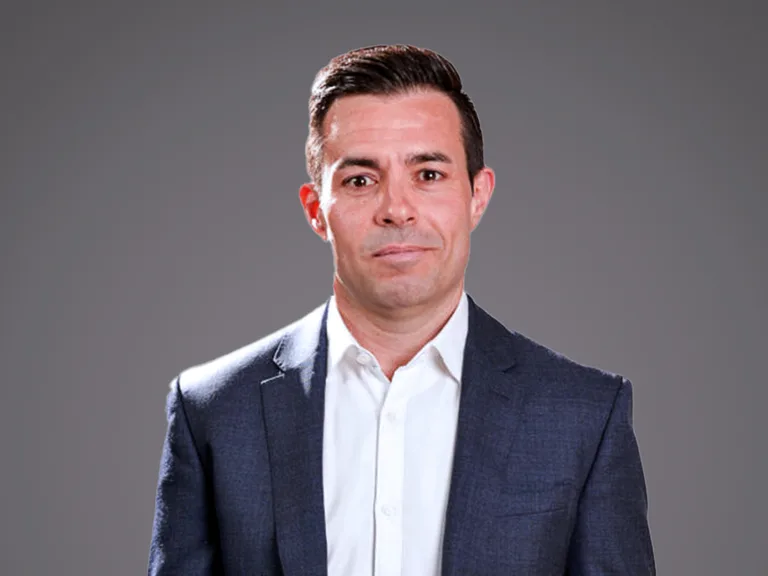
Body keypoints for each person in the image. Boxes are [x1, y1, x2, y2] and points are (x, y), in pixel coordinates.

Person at [147, 44, 655, 575]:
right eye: (360, 180)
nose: (396, 209)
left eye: (429, 174)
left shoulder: (584, 414)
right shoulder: (215, 411)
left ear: (477, 196)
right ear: (316, 210)